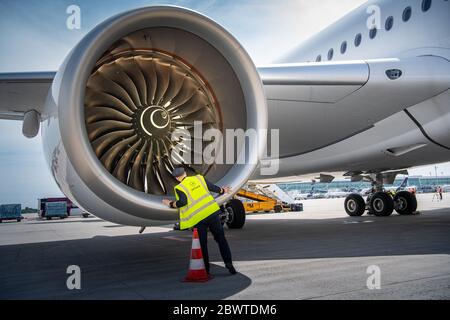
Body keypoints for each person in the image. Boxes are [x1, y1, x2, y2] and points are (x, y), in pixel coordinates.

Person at [162, 167, 237, 275]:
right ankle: (229, 264)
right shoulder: (199, 178)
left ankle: (206, 270)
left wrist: (169, 203)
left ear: (177, 178)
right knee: (221, 240)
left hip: (198, 219)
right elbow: (213, 188)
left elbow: (182, 202)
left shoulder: (180, 187)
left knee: (203, 245)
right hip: (212, 213)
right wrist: (223, 190)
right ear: (185, 173)